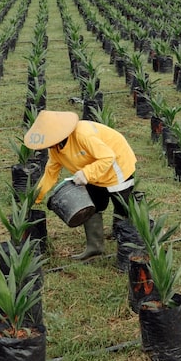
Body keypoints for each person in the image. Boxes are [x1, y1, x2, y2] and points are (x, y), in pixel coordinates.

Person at [24, 110, 137, 260]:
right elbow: (50, 173)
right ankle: (95, 248)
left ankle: (128, 243)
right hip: (92, 172)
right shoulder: (56, 150)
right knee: (92, 205)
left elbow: (108, 156)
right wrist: (35, 197)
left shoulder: (82, 134)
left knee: (123, 206)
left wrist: (86, 174)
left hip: (117, 166)